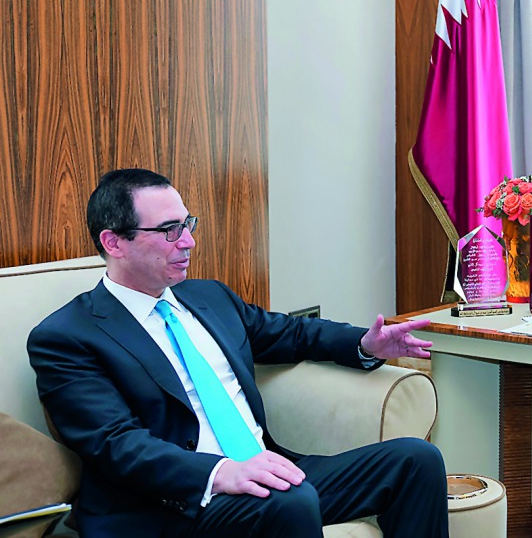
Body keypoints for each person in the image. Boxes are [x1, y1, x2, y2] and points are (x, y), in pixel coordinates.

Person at [27, 169, 450, 537]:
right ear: (114, 242)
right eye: (169, 230)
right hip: (169, 506)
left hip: (266, 472)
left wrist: (363, 343)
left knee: (416, 460)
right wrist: (220, 472)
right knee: (289, 501)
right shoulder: (67, 337)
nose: (189, 241)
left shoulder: (208, 298)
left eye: (187, 224)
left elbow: (290, 333)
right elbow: (116, 444)